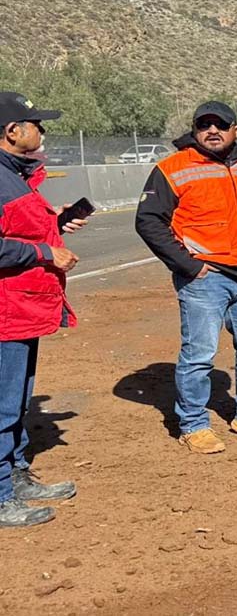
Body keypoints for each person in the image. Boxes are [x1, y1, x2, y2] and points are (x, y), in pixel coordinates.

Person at [135, 101, 237, 455]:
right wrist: (188, 265)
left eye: (220, 125)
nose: (212, 131)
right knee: (199, 355)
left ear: (236, 129)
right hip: (206, 279)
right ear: (194, 130)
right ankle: (193, 424)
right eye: (204, 125)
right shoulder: (173, 168)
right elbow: (148, 220)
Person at [0, 93, 86, 527]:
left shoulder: (15, 176)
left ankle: (16, 475)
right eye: (36, 123)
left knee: (17, 400)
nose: (42, 130)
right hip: (5, 311)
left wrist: (57, 222)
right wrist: (45, 251)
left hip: (24, 307)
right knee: (2, 404)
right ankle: (1, 495)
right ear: (12, 131)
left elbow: (17, 227)